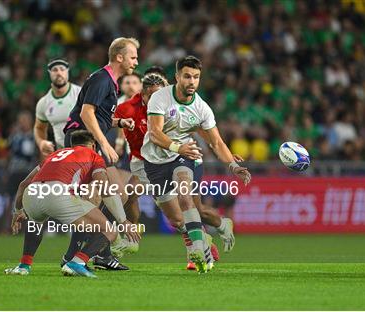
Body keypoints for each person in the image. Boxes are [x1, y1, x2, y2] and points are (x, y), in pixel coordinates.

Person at [113, 71, 237, 270]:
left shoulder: (173, 105)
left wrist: (221, 153)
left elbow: (198, 127)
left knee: (190, 212)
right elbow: (105, 119)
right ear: (143, 96)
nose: (158, 98)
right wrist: (119, 124)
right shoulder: (127, 107)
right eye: (152, 95)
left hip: (177, 158)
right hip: (143, 162)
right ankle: (133, 239)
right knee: (133, 196)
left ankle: (213, 233)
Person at [141, 56, 251, 273]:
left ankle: (198, 250)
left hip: (187, 155)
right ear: (177, 77)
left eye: (196, 77)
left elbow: (216, 142)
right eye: (187, 76)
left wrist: (233, 166)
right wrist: (176, 147)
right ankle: (221, 224)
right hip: (156, 161)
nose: (192, 81)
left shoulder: (202, 108)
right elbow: (154, 133)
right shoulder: (160, 98)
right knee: (179, 218)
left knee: (185, 195)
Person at [9, 130, 140, 278]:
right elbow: (105, 189)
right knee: (109, 230)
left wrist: (17, 210)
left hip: (32, 193)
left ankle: (24, 265)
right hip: (57, 192)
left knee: (35, 223)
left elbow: (23, 184)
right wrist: (123, 221)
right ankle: (77, 262)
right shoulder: (94, 155)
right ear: (93, 145)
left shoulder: (55, 155)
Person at [62, 37, 139, 270]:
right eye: (133, 56)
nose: (136, 61)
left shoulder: (110, 81)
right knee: (102, 198)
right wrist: (105, 143)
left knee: (113, 196)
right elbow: (86, 113)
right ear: (119, 57)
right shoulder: (102, 78)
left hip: (92, 141)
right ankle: (80, 254)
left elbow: (99, 116)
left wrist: (118, 122)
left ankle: (97, 253)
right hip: (84, 142)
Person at [4, 59, 81, 275]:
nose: (59, 73)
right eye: (55, 69)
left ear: (68, 72)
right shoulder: (43, 102)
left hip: (81, 156)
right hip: (58, 156)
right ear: (49, 74)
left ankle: (76, 259)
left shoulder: (80, 94)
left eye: (62, 69)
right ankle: (25, 264)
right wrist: (41, 142)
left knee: (85, 206)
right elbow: (39, 128)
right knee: (30, 189)